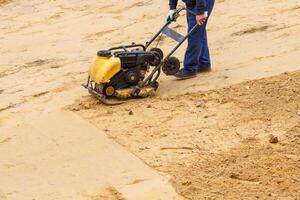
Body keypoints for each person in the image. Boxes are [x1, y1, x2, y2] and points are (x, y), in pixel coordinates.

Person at [168, 0, 215, 79]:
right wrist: (172, 8)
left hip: (202, 2)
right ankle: (204, 63)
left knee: (194, 34)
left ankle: (190, 68)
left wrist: (200, 12)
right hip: (191, 3)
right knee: (198, 31)